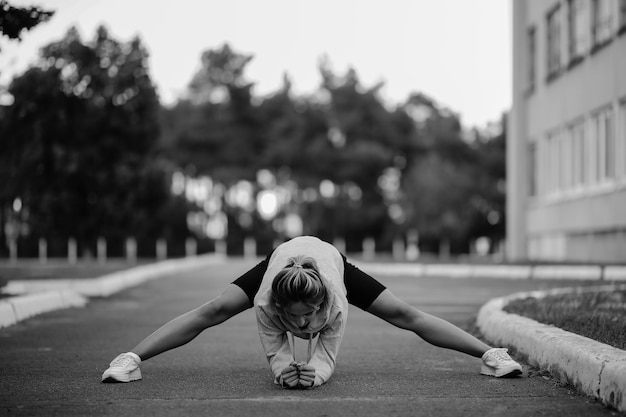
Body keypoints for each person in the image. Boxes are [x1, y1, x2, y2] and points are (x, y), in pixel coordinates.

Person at [102, 236, 522, 388]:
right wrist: (285, 371)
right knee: (212, 310)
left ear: (322, 304)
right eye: (295, 318)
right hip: (282, 260)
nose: (303, 325)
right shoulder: (268, 300)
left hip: (327, 259)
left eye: (309, 317)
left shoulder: (335, 299)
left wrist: (314, 373)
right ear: (278, 305)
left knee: (405, 314)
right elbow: (277, 351)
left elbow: (325, 355)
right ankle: (131, 357)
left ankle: (490, 355)